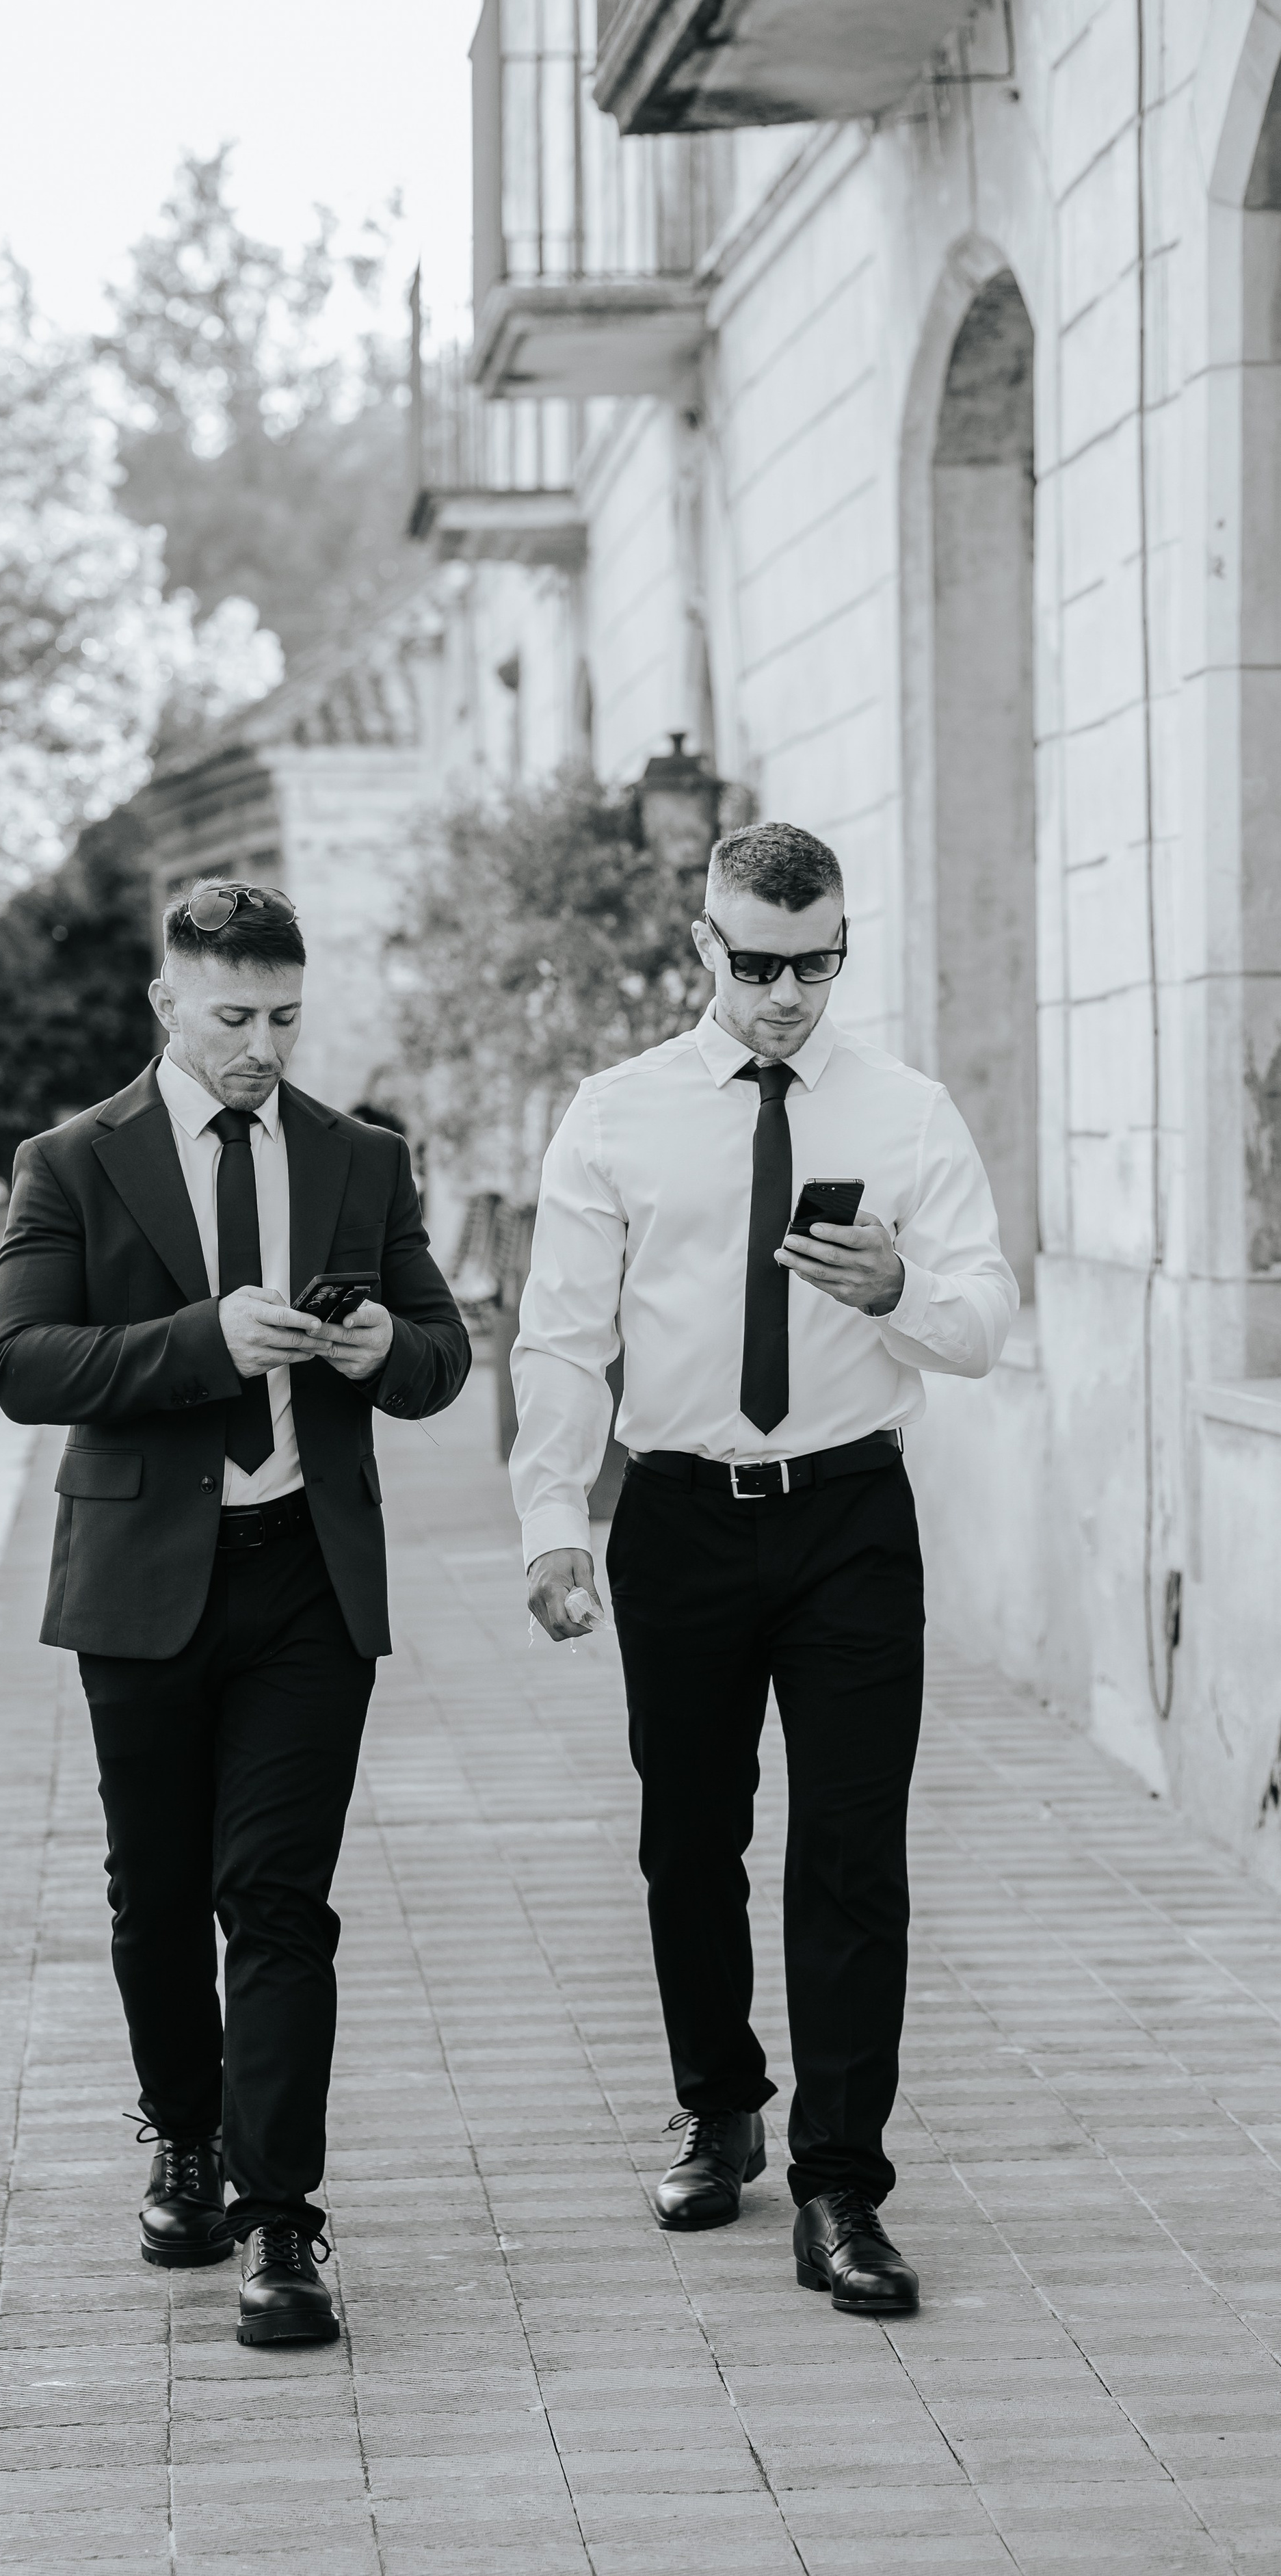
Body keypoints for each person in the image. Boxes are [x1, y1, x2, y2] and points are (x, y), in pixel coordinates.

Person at [510, 822, 1017, 2317]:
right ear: (702, 948)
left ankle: (840, 2186)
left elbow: (984, 1316)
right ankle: (715, 2102)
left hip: (849, 1512)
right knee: (689, 1832)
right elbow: (560, 1334)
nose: (787, 995)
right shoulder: (614, 1114)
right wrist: (552, 1518)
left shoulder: (908, 1112)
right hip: (677, 1511)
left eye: (815, 963)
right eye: (756, 964)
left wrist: (902, 1289)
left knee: (851, 1850)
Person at [0, 880, 469, 2346]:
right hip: (142, 1582)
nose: (260, 1044)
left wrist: (387, 1344)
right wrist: (206, 1343)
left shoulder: (360, 1156)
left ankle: (280, 2221)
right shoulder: (69, 1160)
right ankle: (180, 2137)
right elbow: (23, 1364)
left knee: (276, 1900)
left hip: (305, 1579)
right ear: (167, 1004)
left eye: (281, 1017)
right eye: (231, 1016)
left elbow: (442, 1353)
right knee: (156, 1890)